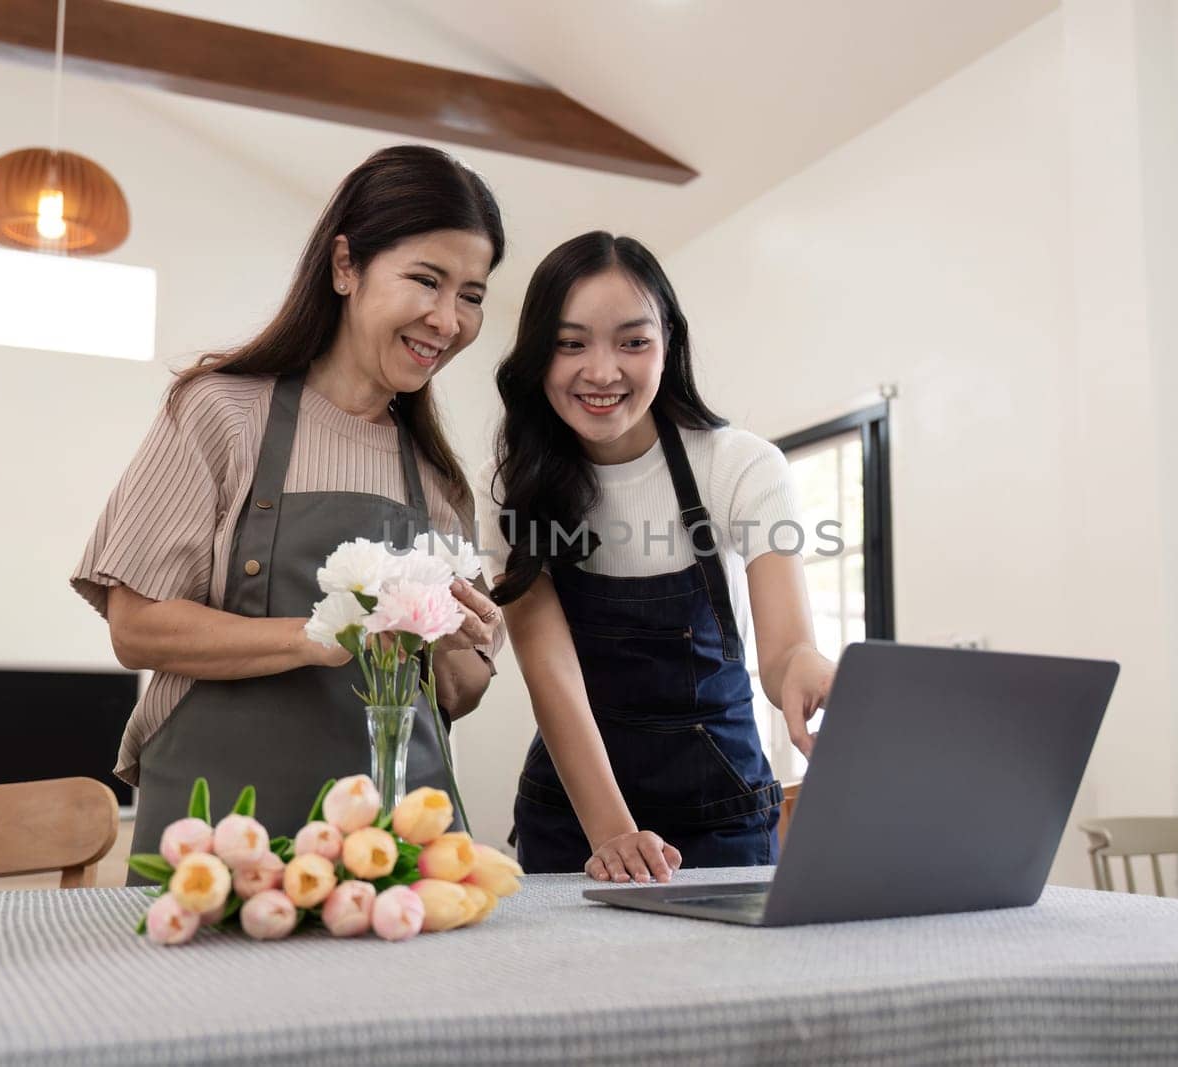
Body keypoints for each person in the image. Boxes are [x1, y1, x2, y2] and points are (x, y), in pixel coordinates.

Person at [72, 146, 505, 880]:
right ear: (345, 266)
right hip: (221, 836)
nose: (448, 319)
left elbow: (454, 696)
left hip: (391, 850)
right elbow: (136, 626)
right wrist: (319, 633)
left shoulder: (434, 476)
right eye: (426, 280)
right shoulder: (221, 413)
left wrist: (471, 639)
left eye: (471, 294)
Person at [480, 232, 837, 883]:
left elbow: (784, 651)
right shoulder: (511, 486)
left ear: (668, 344)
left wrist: (804, 665)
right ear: (537, 354)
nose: (602, 370)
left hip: (723, 816)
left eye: (632, 341)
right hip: (576, 824)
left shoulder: (741, 465)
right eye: (571, 342)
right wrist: (612, 833)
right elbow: (552, 676)